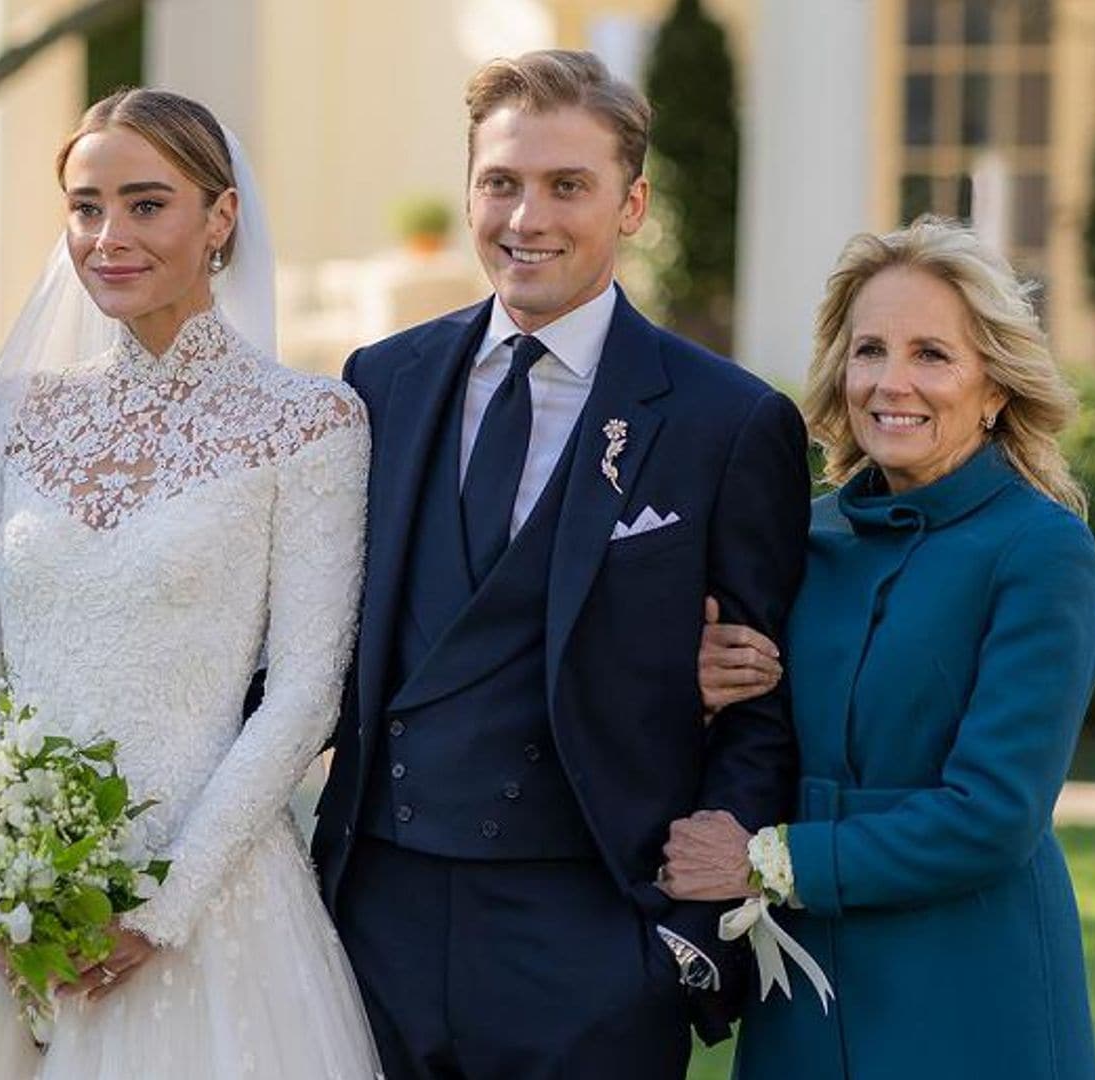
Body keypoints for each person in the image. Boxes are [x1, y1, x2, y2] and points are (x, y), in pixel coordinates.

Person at [0, 88, 380, 1079]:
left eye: (147, 203)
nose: (108, 236)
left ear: (222, 218)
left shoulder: (313, 423)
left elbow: (304, 691)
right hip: (6, 905)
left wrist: (164, 908)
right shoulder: (16, 414)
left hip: (209, 909)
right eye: (85, 206)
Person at [310, 50, 809, 1080]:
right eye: (502, 182)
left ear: (631, 205)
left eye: (565, 187)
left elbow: (763, 716)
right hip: (372, 927)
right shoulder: (381, 381)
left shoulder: (728, 420)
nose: (526, 217)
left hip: (588, 936)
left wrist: (677, 942)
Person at [670, 217, 1095, 1078]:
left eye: (932, 355)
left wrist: (766, 861)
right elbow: (758, 742)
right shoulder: (803, 537)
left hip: (968, 991)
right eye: (870, 350)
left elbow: (995, 814)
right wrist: (707, 691)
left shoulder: (1041, 550)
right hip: (803, 996)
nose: (890, 382)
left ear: (994, 387)